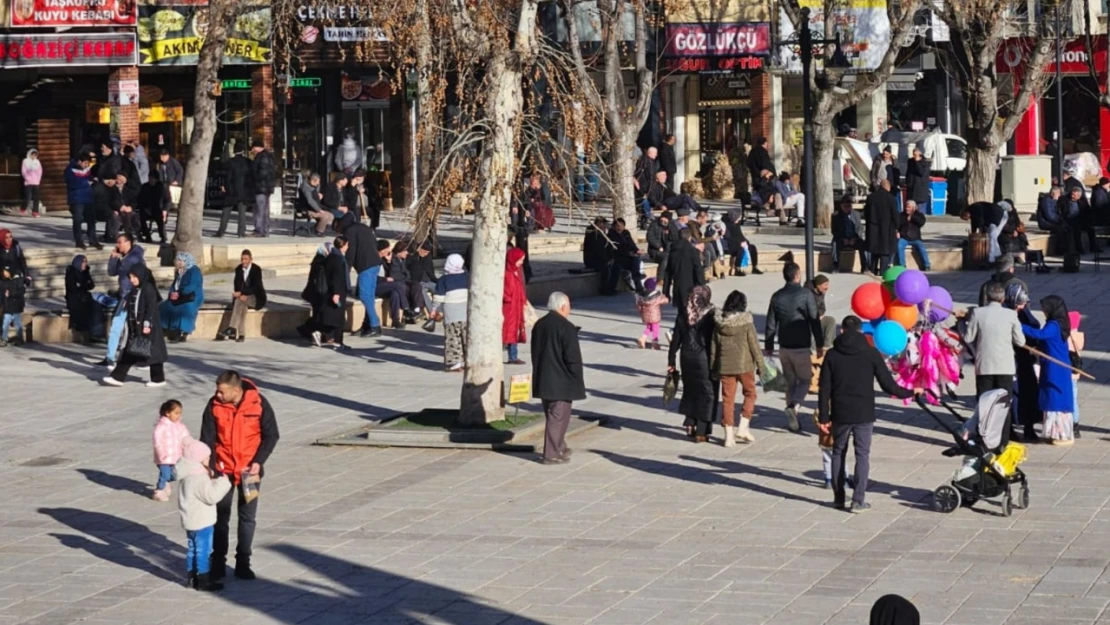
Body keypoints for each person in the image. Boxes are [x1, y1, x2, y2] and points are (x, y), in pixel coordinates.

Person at [818, 315, 917, 512]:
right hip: (864, 413)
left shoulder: (832, 355)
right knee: (862, 455)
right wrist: (911, 392)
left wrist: (823, 417)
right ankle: (858, 500)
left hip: (840, 412)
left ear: (842, 331)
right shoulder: (871, 354)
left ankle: (839, 498)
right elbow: (888, 386)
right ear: (861, 332)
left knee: (838, 452)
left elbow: (824, 388)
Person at [199, 370, 280, 582]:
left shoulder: (259, 403)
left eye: (221, 391)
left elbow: (272, 434)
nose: (217, 395)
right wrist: (212, 466)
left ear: (236, 390)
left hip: (249, 472)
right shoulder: (213, 406)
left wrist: (258, 461)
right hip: (223, 471)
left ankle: (243, 562)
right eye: (217, 391)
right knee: (220, 518)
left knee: (247, 518)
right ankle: (217, 563)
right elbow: (207, 438)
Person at [765, 262, 823, 432]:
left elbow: (770, 324)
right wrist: (819, 344)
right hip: (801, 346)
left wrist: (769, 346)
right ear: (797, 275)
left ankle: (793, 420)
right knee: (805, 379)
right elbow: (814, 320)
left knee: (790, 381)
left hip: (784, 347)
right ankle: (795, 406)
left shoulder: (776, 296)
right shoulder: (806, 294)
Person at [531, 291, 586, 464]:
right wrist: (577, 376)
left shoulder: (540, 324)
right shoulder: (566, 327)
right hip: (561, 381)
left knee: (554, 416)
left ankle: (560, 446)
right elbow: (572, 357)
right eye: (569, 305)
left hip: (543, 377)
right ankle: (551, 453)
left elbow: (534, 352)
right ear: (562, 306)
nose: (569, 309)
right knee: (558, 417)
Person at [176, 439, 232, 592]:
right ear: (199, 460)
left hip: (190, 520)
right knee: (203, 550)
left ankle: (191, 577)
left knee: (192, 549)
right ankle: (203, 580)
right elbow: (211, 496)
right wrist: (223, 482)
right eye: (207, 458)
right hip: (202, 521)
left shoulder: (187, 475)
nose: (209, 460)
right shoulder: (199, 478)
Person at [1021, 296, 1076, 445]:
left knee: (1055, 399)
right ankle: (1055, 432)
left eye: (1045, 308)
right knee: (1053, 397)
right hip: (1054, 365)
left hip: (1055, 367)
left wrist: (1018, 326)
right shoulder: (1061, 323)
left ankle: (1061, 434)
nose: (1043, 311)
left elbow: (1039, 334)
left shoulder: (1053, 325)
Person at [711, 290, 762, 446]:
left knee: (728, 400)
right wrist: (761, 366)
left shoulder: (719, 324)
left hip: (725, 366)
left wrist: (713, 367)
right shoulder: (746, 323)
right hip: (744, 365)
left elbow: (714, 348)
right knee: (750, 394)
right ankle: (743, 426)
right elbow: (754, 346)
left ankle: (728, 436)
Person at [102, 265, 167, 387]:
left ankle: (118, 377)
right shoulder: (135, 289)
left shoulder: (148, 288)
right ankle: (158, 379)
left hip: (148, 328)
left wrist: (147, 324)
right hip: (136, 328)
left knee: (135, 353)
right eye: (130, 277)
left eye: (134, 276)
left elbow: (151, 308)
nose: (132, 279)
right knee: (149, 353)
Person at [669, 285, 717, 442]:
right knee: (707, 393)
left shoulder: (684, 312)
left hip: (686, 356)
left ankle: (690, 422)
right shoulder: (710, 314)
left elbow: (676, 339)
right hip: (704, 357)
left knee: (690, 390)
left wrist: (671, 361)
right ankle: (701, 431)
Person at [964, 282, 1025, 397]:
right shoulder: (1011, 314)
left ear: (987, 297)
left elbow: (968, 338)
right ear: (1003, 299)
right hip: (1005, 366)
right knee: (1003, 404)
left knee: (984, 402)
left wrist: (962, 324)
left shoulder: (978, 313)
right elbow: (1020, 342)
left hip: (984, 365)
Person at [335, 207, 382, 337]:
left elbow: (351, 253)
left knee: (365, 295)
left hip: (366, 265)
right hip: (375, 263)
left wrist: (345, 272)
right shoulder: (363, 227)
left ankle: (374, 325)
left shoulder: (349, 232)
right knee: (370, 296)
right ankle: (367, 325)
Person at [100, 233, 145, 368]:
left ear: (128, 242)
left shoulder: (135, 258)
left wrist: (133, 295)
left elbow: (141, 278)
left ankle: (136, 357)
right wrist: (113, 259)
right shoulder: (124, 257)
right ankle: (111, 356)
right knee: (118, 326)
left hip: (131, 297)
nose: (117, 245)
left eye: (120, 242)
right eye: (117, 242)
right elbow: (112, 272)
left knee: (126, 327)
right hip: (124, 296)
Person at [1005, 282, 1042, 442]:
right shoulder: (1004, 313)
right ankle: (1010, 429)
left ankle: (1029, 427)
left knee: (1028, 393)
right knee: (1011, 395)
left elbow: (1034, 326)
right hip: (1009, 359)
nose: (1021, 306)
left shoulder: (1024, 314)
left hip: (1024, 360)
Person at [431, 254, 469, 371]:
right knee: (467, 339)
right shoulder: (467, 276)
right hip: (466, 314)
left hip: (451, 314)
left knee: (453, 339)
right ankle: (468, 361)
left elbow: (438, 298)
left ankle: (455, 364)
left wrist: (433, 310)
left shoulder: (443, 280)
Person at [220, 250, 267, 343]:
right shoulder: (238, 269)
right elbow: (236, 284)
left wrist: (242, 292)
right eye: (242, 259)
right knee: (241, 305)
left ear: (251, 260)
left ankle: (232, 328)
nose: (243, 261)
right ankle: (241, 334)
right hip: (242, 297)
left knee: (239, 301)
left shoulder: (256, 270)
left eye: (246, 259)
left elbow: (256, 287)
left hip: (256, 297)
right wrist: (240, 294)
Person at [160, 252, 204, 343]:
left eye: (182, 261)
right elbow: (175, 285)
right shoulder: (179, 271)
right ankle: (166, 329)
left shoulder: (194, 271)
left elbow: (193, 285)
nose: (179, 262)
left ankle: (181, 332)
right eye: (178, 260)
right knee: (165, 306)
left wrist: (180, 293)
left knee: (183, 308)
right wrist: (172, 294)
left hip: (192, 297)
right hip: (179, 296)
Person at [152, 399, 190, 501]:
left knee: (175, 474)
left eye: (180, 413)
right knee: (164, 474)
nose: (178, 416)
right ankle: (159, 490)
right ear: (167, 413)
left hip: (177, 456)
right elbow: (157, 442)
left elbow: (186, 438)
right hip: (164, 457)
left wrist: (189, 448)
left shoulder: (181, 426)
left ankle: (165, 483)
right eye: (176, 413)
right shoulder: (161, 427)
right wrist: (161, 454)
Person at [663, 228, 705, 315]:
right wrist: (702, 286)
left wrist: (666, 291)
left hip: (677, 288)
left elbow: (668, 273)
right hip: (691, 287)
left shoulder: (672, 252)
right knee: (691, 313)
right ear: (689, 237)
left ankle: (680, 328)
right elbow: (698, 269)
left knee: (681, 313)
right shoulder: (693, 251)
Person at [0, 229, 30, 346]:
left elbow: (22, 261)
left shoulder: (16, 246)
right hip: (2, 282)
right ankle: (3, 336)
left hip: (15, 281)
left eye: (10, 237)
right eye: (6, 237)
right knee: (5, 312)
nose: (9, 239)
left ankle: (18, 337)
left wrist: (26, 275)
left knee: (15, 314)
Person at [65, 254, 103, 341]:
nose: (85, 264)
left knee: (97, 307)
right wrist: (84, 284)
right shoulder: (71, 272)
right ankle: (88, 332)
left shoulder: (86, 272)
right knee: (83, 309)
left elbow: (91, 285)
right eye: (83, 262)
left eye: (86, 262)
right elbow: (72, 287)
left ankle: (97, 333)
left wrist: (82, 284)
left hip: (85, 297)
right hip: (74, 299)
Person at [865, 179, 899, 274]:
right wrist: (897, 226)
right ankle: (883, 271)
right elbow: (895, 214)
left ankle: (873, 270)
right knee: (885, 251)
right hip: (887, 229)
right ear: (888, 187)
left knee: (874, 251)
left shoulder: (871, 197)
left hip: (873, 228)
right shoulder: (891, 198)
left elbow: (866, 213)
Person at [374, 240, 409, 330]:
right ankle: (406, 308)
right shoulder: (374, 260)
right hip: (374, 286)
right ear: (382, 250)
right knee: (398, 285)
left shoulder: (385, 259)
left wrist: (390, 262)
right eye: (387, 248)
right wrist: (385, 279)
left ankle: (395, 320)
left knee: (395, 294)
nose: (389, 250)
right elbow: (372, 277)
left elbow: (393, 274)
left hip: (383, 285)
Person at [299, 244, 331, 345]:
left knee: (317, 314)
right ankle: (312, 331)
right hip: (319, 293)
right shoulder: (322, 262)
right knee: (319, 315)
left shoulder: (317, 260)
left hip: (315, 292)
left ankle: (307, 330)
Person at [217, 148, 252, 238]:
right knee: (242, 213)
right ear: (243, 152)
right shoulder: (248, 162)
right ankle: (241, 232)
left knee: (226, 211)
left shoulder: (230, 162)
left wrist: (224, 186)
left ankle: (221, 231)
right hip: (243, 190)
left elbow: (227, 176)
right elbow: (250, 178)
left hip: (231, 190)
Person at [65, 154, 98, 249]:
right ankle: (79, 241)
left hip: (88, 197)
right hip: (77, 198)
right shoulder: (70, 170)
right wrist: (87, 183)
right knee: (78, 219)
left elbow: (88, 177)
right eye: (85, 163)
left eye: (88, 163)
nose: (87, 165)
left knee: (91, 219)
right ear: (79, 161)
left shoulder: (87, 169)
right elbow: (73, 183)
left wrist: (92, 179)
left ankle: (93, 240)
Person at [831, 196, 869, 272]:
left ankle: (865, 266)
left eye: (849, 206)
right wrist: (843, 238)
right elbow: (834, 231)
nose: (847, 208)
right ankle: (836, 266)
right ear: (841, 206)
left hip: (854, 239)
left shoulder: (856, 214)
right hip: (842, 239)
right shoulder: (836, 216)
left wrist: (854, 239)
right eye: (845, 206)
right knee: (835, 243)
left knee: (863, 244)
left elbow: (859, 229)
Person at [607, 218, 645, 294]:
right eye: (617, 226)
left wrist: (637, 250)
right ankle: (611, 288)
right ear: (614, 226)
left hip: (627, 258)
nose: (619, 228)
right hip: (617, 257)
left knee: (636, 260)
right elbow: (616, 248)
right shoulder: (611, 235)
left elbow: (631, 244)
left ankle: (638, 286)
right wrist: (629, 253)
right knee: (616, 267)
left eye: (622, 226)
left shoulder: (626, 233)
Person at [250, 139, 276, 237]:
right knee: (264, 209)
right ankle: (264, 230)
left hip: (261, 187)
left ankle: (259, 230)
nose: (252, 149)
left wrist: (255, 179)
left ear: (257, 147)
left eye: (253, 147)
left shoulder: (263, 157)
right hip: (265, 187)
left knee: (260, 209)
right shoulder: (267, 156)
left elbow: (262, 173)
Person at [724, 209, 762, 276]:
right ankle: (737, 269)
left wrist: (746, 242)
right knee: (740, 249)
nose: (738, 219)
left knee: (752, 247)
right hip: (730, 246)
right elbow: (728, 238)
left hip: (739, 243)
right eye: (737, 218)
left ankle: (754, 267)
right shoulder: (727, 225)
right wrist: (739, 244)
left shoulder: (736, 224)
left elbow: (740, 235)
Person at [896, 199, 931, 270]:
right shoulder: (902, 215)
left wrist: (912, 217)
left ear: (913, 208)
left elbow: (921, 222)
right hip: (904, 237)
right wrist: (897, 231)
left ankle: (927, 265)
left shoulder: (919, 215)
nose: (907, 209)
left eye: (909, 207)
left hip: (915, 238)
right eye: (906, 207)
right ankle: (902, 265)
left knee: (922, 248)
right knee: (899, 246)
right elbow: (897, 224)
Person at [634, 277, 668, 350]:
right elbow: (665, 300)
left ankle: (643, 338)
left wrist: (641, 312)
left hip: (645, 315)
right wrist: (667, 297)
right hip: (654, 315)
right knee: (656, 327)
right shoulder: (656, 295)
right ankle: (655, 343)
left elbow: (638, 306)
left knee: (649, 327)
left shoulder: (641, 296)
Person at [806, 274, 836, 349]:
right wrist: (815, 316)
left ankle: (827, 345)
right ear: (818, 286)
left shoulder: (821, 293)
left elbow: (823, 308)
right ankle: (812, 348)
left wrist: (820, 315)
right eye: (825, 285)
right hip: (808, 320)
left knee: (830, 320)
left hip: (818, 317)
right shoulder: (807, 294)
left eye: (828, 284)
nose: (827, 287)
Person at [138, 170, 168, 243]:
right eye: (150, 178)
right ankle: (147, 235)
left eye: (153, 178)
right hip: (147, 208)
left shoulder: (162, 187)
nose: (151, 180)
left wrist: (165, 210)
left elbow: (167, 200)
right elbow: (140, 198)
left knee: (159, 218)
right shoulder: (145, 186)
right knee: (140, 217)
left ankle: (163, 236)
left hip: (158, 208)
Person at [509, 199, 534, 283]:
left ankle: (526, 273)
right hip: (519, 226)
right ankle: (525, 273)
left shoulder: (526, 197)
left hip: (523, 228)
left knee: (523, 250)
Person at [633, 147, 660, 221]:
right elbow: (647, 176)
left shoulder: (648, 161)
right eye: (655, 153)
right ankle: (647, 217)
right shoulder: (646, 162)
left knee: (646, 202)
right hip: (644, 187)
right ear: (650, 153)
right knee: (645, 201)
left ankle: (645, 218)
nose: (656, 155)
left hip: (646, 187)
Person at [116, 172, 141, 236]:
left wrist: (130, 207)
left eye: (120, 181)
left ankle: (138, 233)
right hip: (117, 209)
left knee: (133, 214)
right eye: (117, 180)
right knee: (125, 215)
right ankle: (128, 233)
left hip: (127, 209)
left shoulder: (128, 191)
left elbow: (134, 202)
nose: (118, 182)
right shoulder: (111, 191)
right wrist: (119, 207)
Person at [21, 149, 41, 217]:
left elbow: (40, 171)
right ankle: (23, 208)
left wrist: (38, 179)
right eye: (32, 155)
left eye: (35, 155)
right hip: (28, 182)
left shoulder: (37, 162)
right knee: (28, 197)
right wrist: (27, 178)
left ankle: (35, 212)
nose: (34, 156)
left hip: (36, 182)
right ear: (29, 154)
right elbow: (23, 171)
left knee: (36, 197)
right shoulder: (25, 161)